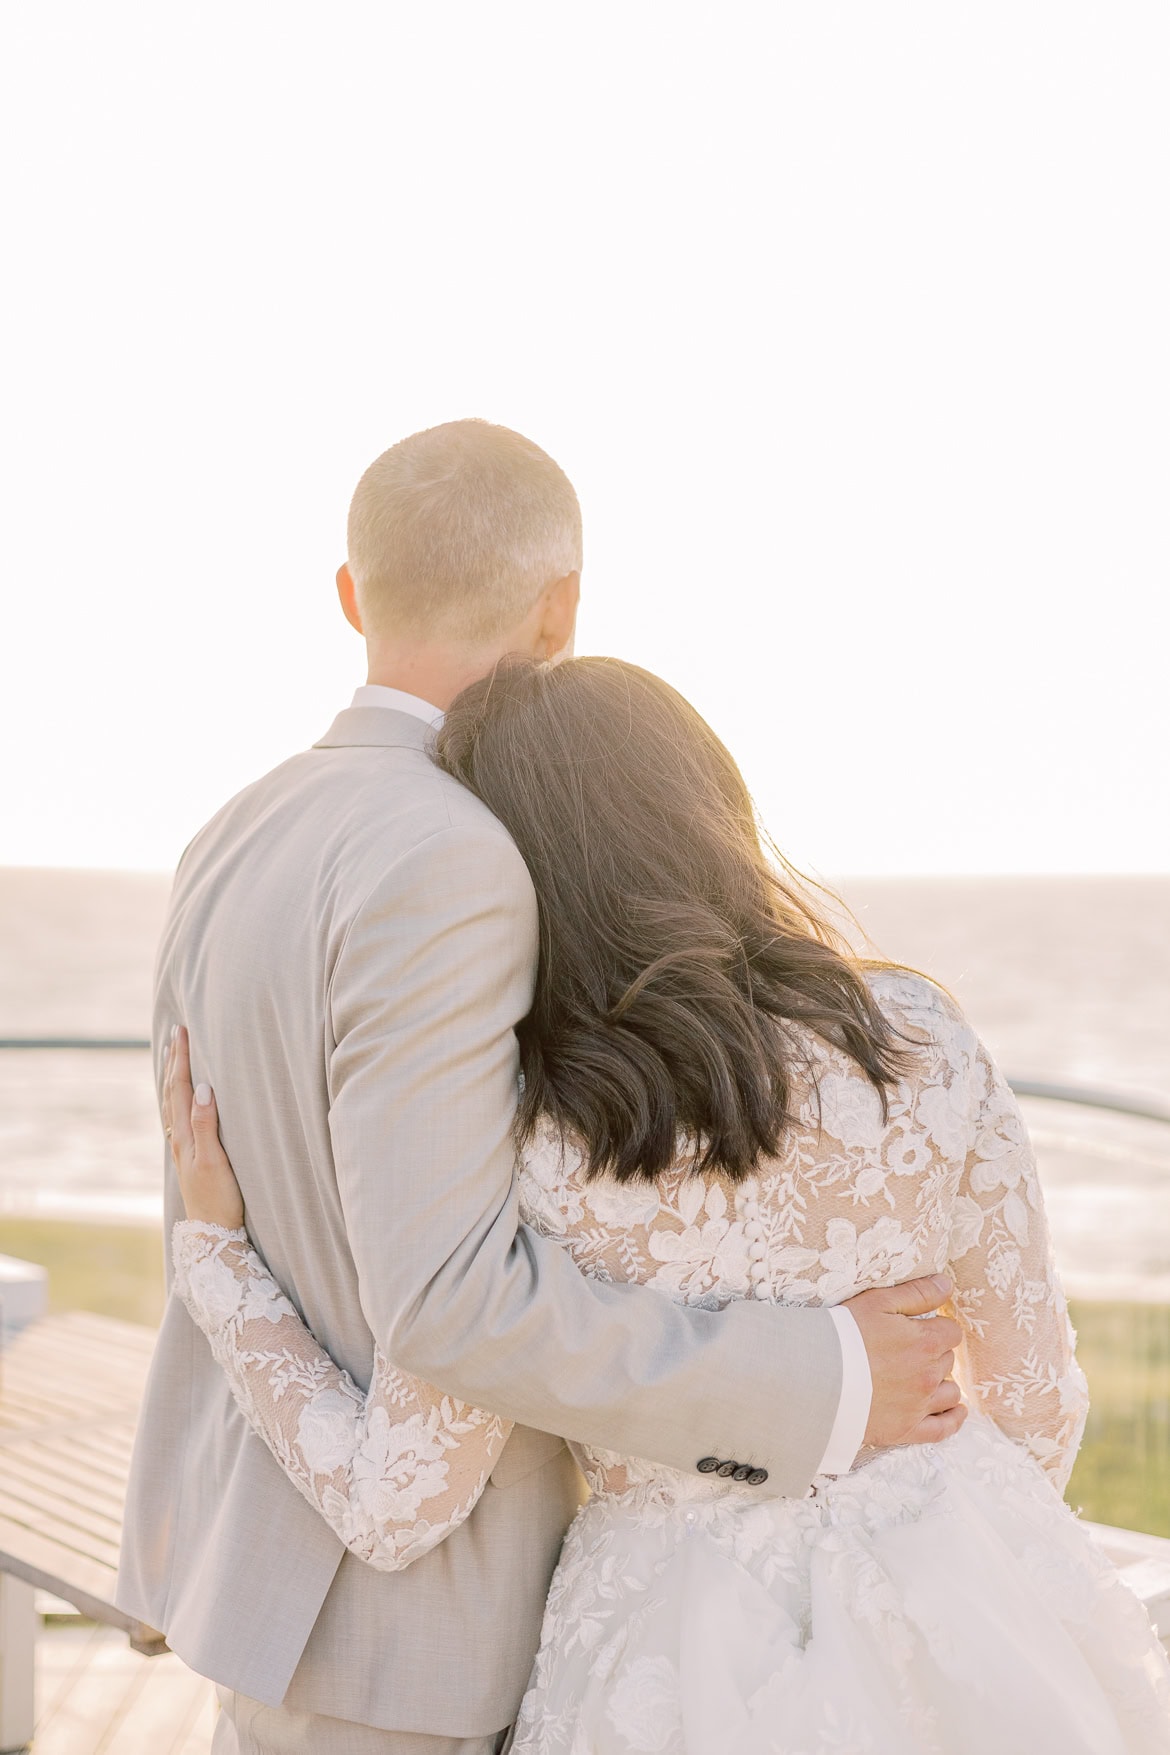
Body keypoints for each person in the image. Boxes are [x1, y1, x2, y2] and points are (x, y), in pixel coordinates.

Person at [117, 420, 967, 1755]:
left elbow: (239, 1200)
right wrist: (825, 1375)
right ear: (563, 606)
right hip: (421, 1633)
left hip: (276, 1592)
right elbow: (448, 1297)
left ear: (350, 593)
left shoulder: (231, 829)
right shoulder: (452, 852)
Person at [163, 655, 1170, 1753]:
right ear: (714, 805)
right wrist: (948, 1571)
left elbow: (394, 1503)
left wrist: (216, 1259)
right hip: (965, 1608)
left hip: (673, 1655)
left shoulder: (538, 1137)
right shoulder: (921, 1035)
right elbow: (1035, 1402)